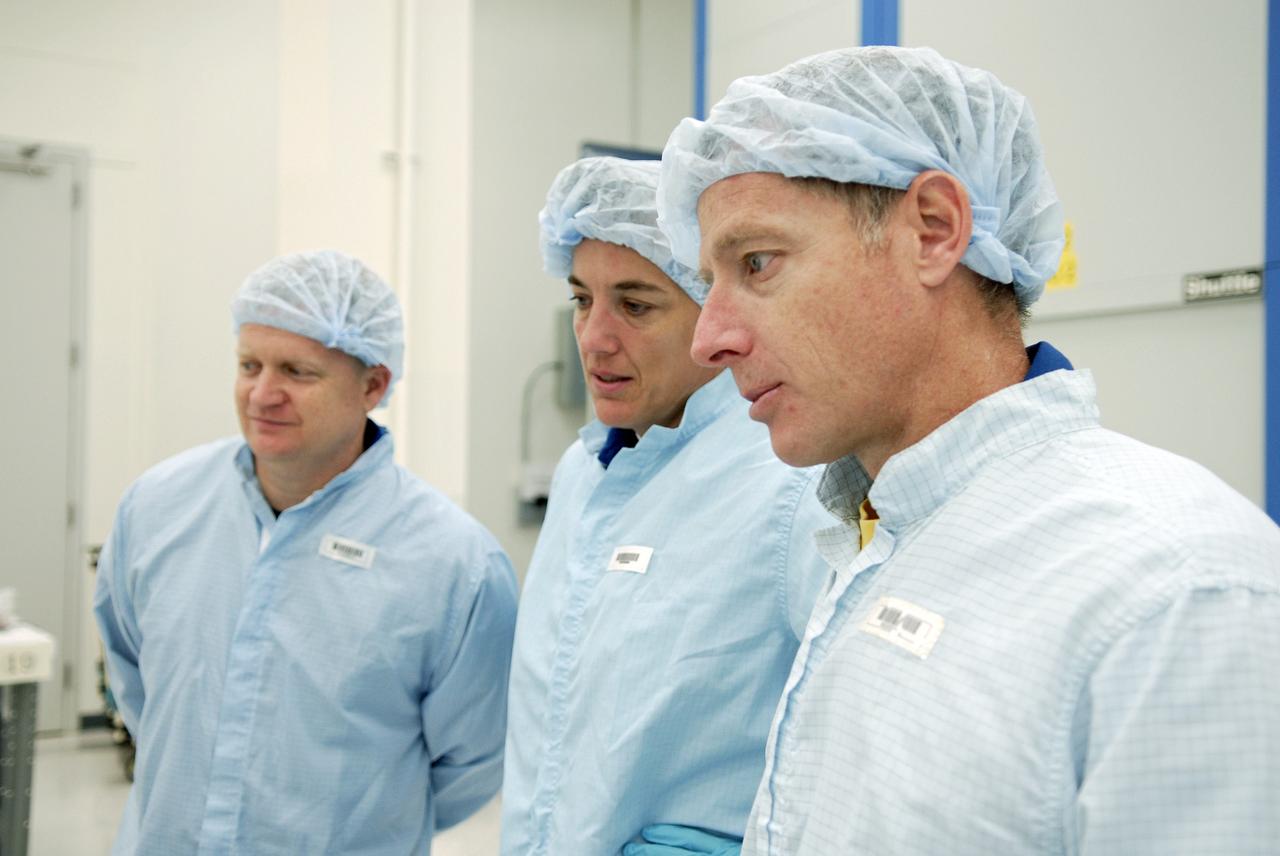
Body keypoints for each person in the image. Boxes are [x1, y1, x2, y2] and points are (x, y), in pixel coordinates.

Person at [657, 45, 1280, 855]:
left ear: (934, 230)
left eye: (757, 262)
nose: (709, 339)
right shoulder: (876, 538)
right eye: (710, 282)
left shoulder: (1178, 595)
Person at [94, 250, 518, 855]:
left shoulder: (454, 563)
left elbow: (473, 760)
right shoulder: (159, 507)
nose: (263, 394)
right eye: (249, 365)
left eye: (297, 371)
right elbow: (141, 687)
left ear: (374, 384)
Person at [500, 157, 831, 855]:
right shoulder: (583, 471)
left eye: (636, 304)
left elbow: (853, 742)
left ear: (714, 308)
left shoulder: (790, 480)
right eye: (581, 300)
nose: (594, 337)